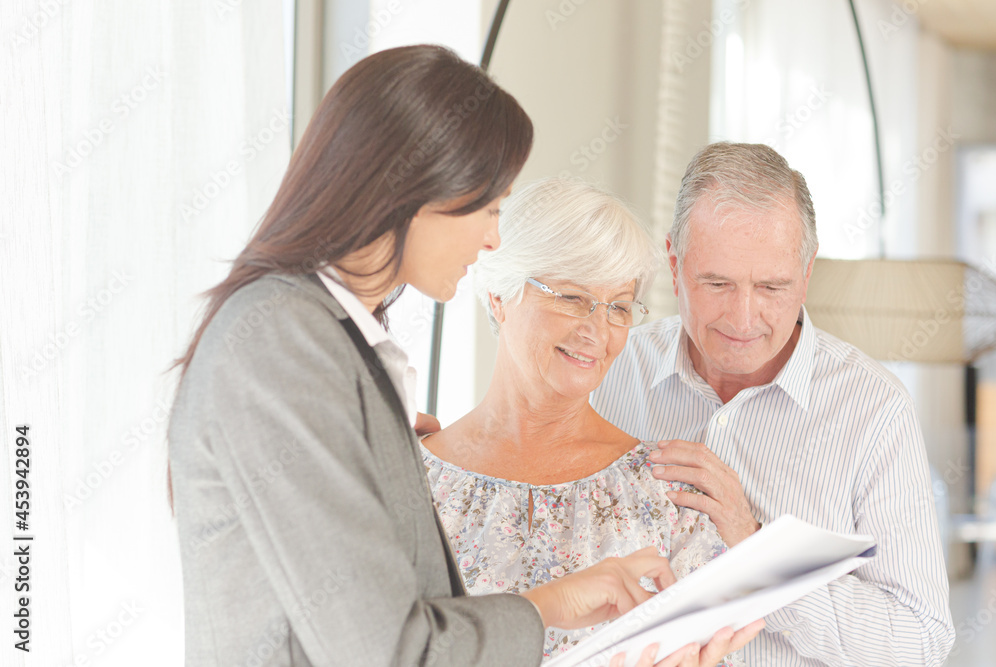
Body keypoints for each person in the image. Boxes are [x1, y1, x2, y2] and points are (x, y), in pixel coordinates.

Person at [168, 45, 753, 667]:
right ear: (412, 189)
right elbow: (388, 651)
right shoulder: (283, 343)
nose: (493, 236)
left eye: (618, 306)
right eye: (490, 205)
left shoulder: (333, 344)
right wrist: (546, 607)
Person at [592, 142, 957, 665]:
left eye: (772, 287)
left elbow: (919, 640)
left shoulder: (875, 410)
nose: (743, 319)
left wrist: (757, 549)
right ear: (674, 264)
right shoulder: (613, 369)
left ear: (806, 272)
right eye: (717, 283)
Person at [422, 177, 761, 665]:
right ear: (499, 294)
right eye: (571, 298)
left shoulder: (666, 490)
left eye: (619, 307)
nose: (597, 331)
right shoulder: (415, 480)